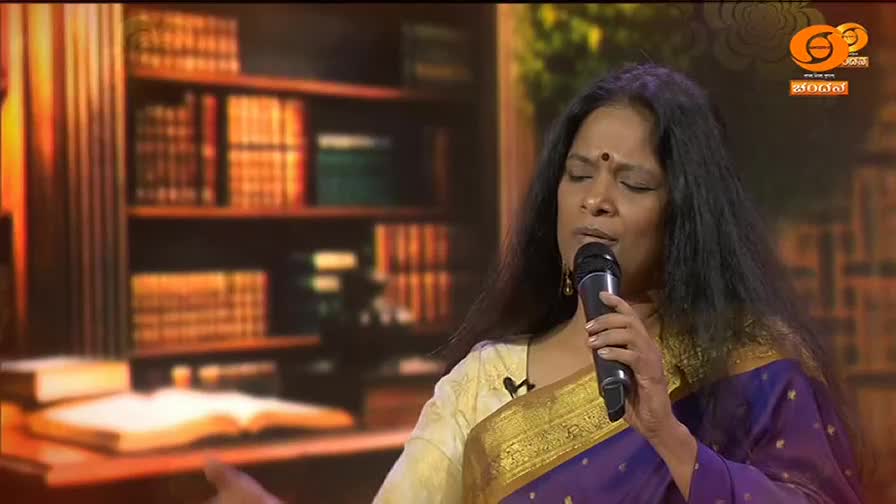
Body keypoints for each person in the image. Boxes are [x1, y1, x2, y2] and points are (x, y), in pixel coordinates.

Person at [203, 63, 865, 503]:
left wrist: (670, 435)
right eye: (579, 176)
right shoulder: (481, 386)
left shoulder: (751, 360)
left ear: (684, 215)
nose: (595, 201)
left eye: (631, 183)